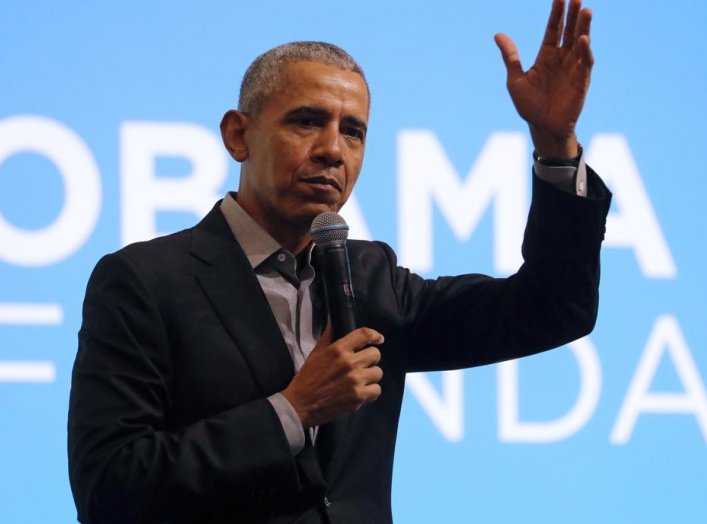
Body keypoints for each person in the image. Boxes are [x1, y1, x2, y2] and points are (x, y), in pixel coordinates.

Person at [68, 0, 611, 522]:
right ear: (238, 134)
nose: (334, 148)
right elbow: (109, 488)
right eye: (307, 121)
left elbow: (551, 307)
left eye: (353, 131)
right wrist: (292, 411)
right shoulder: (146, 281)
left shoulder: (371, 280)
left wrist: (554, 143)